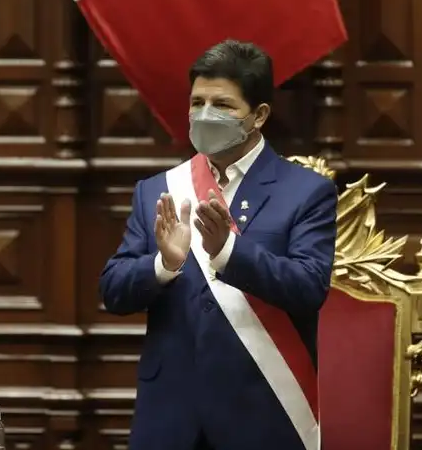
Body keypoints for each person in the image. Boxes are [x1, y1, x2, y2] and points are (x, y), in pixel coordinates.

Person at [99, 40, 338, 450]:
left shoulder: (307, 193)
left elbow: (308, 287)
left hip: (262, 412)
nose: (205, 115)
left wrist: (228, 251)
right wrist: (163, 264)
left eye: (223, 105)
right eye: (197, 102)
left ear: (259, 115)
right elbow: (114, 292)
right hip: (171, 416)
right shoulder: (157, 191)